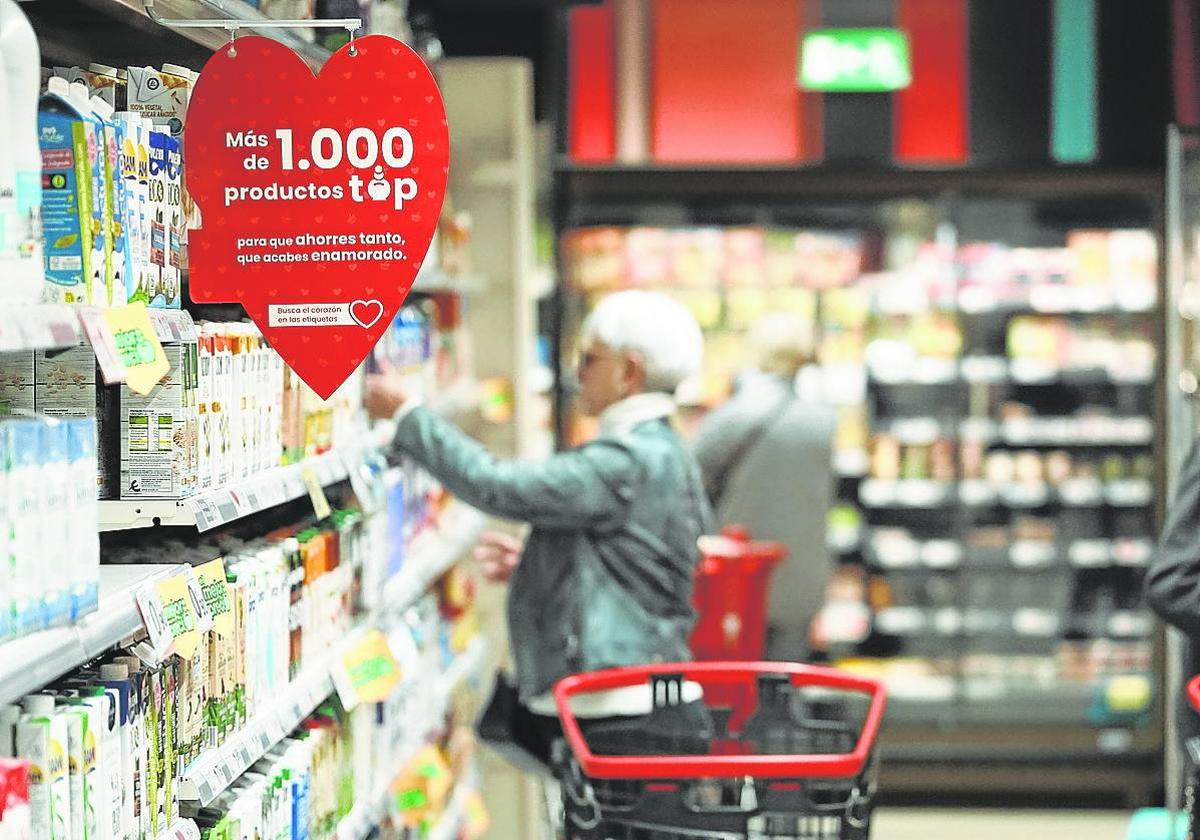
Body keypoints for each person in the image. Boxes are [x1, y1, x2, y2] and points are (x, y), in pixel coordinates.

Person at [365, 289, 713, 769]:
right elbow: (627, 560)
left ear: (629, 373)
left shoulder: (625, 461)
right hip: (637, 698)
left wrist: (408, 416)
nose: (577, 372)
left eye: (590, 359)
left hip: (617, 707)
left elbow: (498, 487)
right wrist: (544, 567)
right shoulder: (662, 450)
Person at [690, 313, 836, 661]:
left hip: (738, 580)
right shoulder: (823, 421)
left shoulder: (730, 418)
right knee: (784, 682)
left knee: (733, 686)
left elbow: (690, 483)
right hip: (800, 578)